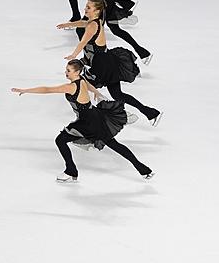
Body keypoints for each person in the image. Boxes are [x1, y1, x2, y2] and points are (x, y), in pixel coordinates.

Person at [12, 60, 154, 183]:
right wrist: (97, 93)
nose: (66, 73)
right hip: (94, 116)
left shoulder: (71, 86)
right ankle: (144, 170)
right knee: (113, 144)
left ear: (77, 72)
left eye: (68, 71)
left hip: (87, 121)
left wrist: (26, 90)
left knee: (61, 140)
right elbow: (89, 86)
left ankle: (71, 171)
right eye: (66, 70)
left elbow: (47, 89)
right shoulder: (81, 80)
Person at [58, 0, 161, 125]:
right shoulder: (95, 21)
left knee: (81, 86)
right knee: (118, 94)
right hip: (106, 61)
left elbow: (83, 42)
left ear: (96, 11)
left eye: (88, 8)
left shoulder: (93, 25)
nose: (85, 9)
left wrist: (73, 54)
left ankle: (105, 116)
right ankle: (150, 113)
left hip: (102, 65)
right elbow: (83, 23)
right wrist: (68, 25)